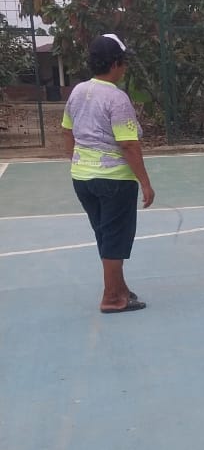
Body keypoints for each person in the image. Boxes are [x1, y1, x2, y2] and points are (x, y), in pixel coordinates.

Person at [62, 33, 155, 313]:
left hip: (82, 178)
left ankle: (120, 288)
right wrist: (145, 183)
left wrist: (78, 161)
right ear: (114, 64)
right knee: (115, 236)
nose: (124, 68)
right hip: (114, 179)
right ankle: (112, 297)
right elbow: (128, 144)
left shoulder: (78, 91)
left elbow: (67, 131)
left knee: (105, 234)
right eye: (123, 62)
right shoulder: (117, 98)